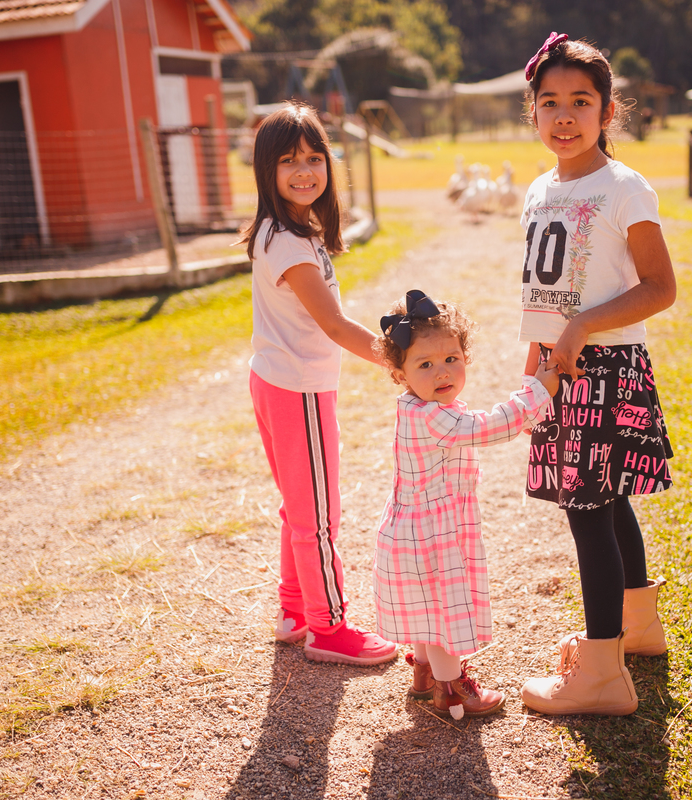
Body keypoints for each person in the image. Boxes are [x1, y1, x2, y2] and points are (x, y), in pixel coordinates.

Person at [516, 33, 678, 716]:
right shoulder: (537, 189)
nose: (564, 114)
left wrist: (582, 328)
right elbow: (542, 287)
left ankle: (603, 674)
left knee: (588, 516)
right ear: (532, 112)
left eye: (581, 101)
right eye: (549, 101)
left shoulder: (623, 186)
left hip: (605, 369)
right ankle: (638, 627)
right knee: (608, 504)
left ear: (609, 110)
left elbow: (660, 286)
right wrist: (537, 355)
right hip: (561, 370)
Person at [238, 101, 396, 666]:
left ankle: (293, 610)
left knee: (298, 509)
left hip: (280, 383)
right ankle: (328, 629)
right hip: (296, 390)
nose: (305, 170)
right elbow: (333, 325)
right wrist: (399, 362)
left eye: (314, 157)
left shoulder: (289, 231)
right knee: (319, 517)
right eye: (288, 161)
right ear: (266, 172)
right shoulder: (286, 241)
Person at [372, 289, 560, 719]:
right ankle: (451, 688)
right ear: (400, 373)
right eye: (424, 364)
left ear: (465, 357)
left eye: (451, 359)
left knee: (426, 606)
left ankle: (424, 672)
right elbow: (491, 426)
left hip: (417, 529)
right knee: (440, 614)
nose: (442, 372)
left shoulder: (422, 407)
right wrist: (538, 390)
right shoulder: (434, 416)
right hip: (429, 536)